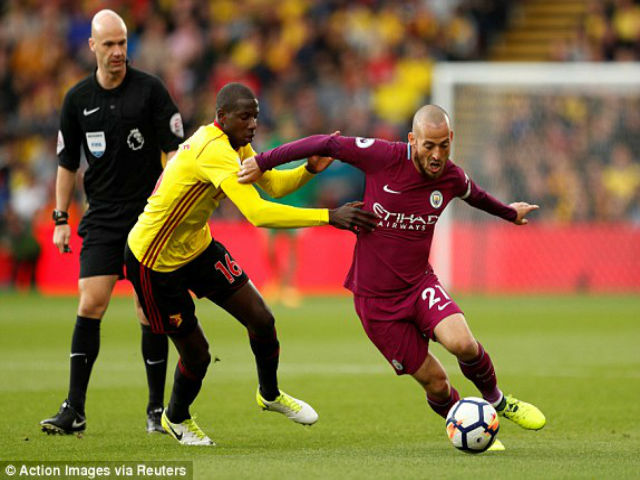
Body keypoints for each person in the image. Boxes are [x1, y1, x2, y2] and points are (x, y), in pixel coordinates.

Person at [238, 105, 547, 451]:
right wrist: (263, 161)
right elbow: (325, 143)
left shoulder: (451, 177)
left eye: (444, 145)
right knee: (437, 384)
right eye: (429, 145)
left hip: (419, 285)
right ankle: (472, 431)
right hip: (376, 304)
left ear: (452, 141)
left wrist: (509, 213)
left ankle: (497, 402)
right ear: (412, 140)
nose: (436, 154)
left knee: (463, 343)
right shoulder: (382, 157)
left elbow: (474, 195)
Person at [123, 82, 378, 446]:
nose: (253, 123)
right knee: (198, 356)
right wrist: (328, 216)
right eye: (245, 116)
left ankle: (270, 394)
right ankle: (176, 418)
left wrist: (309, 169)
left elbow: (270, 184)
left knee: (262, 318)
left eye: (255, 116)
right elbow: (257, 212)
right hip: (154, 260)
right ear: (222, 117)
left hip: (196, 247)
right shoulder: (212, 150)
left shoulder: (235, 143)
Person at [40, 10, 184, 435]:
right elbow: (67, 163)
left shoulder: (152, 91)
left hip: (146, 216)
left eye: (122, 43)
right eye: (109, 44)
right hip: (102, 216)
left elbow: (175, 152)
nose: (118, 51)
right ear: (92, 46)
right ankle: (75, 410)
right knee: (90, 304)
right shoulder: (77, 99)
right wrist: (61, 217)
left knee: (147, 310)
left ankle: (157, 410)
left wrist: (171, 200)